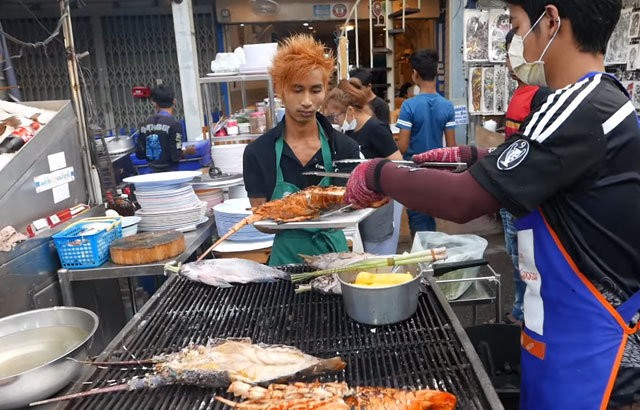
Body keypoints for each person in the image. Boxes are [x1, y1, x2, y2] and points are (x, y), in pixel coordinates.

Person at [343, 1, 640, 409]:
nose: (516, 41)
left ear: (551, 21)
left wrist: (377, 174)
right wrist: (472, 157)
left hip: (588, 338)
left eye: (518, 26)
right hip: (564, 321)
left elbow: (463, 201)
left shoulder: (577, 107)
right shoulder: (602, 98)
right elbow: (547, 166)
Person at [243, 34, 360, 266]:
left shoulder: (345, 148)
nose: (306, 101)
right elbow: (260, 219)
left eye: (315, 90)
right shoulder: (259, 153)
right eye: (297, 90)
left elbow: (351, 209)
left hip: (334, 257)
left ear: (325, 90)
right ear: (280, 91)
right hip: (285, 260)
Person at [501, 29, 552, 326]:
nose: (510, 59)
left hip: (525, 198)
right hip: (510, 193)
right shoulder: (520, 93)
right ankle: (520, 311)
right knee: (516, 259)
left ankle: (525, 317)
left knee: (528, 262)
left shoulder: (541, 95)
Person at [324, 79, 402, 255]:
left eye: (334, 116)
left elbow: (397, 163)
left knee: (377, 254)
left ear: (350, 111)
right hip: (359, 204)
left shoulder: (375, 128)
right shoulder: (348, 131)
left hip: (380, 203)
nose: (334, 121)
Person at [396, 48, 457, 236]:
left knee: (418, 218)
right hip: (437, 169)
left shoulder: (408, 105)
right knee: (430, 214)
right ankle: (433, 255)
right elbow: (452, 147)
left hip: (414, 169)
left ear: (414, 74)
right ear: (435, 73)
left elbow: (403, 146)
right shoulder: (447, 106)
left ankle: (423, 258)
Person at [135, 85, 195, 172]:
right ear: (174, 101)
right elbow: (175, 156)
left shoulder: (145, 124)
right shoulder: (174, 125)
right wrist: (187, 151)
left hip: (151, 173)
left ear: (154, 103)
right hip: (170, 174)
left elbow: (140, 154)